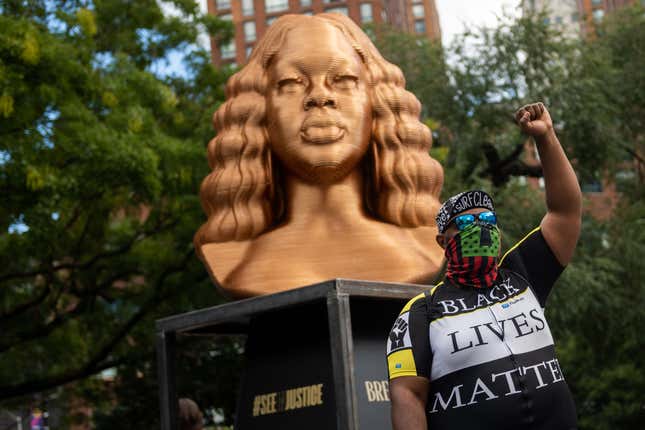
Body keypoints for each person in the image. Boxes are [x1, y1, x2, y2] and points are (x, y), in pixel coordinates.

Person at [194, 13, 445, 297]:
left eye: (343, 79)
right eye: (291, 82)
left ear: (376, 106)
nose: (319, 96)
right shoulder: (231, 261)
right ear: (260, 113)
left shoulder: (427, 246)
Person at [386, 102, 582, 430]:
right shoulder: (421, 312)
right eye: (466, 224)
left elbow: (565, 211)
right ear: (442, 243)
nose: (481, 228)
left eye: (488, 220)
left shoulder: (523, 275)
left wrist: (546, 137)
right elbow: (407, 396)